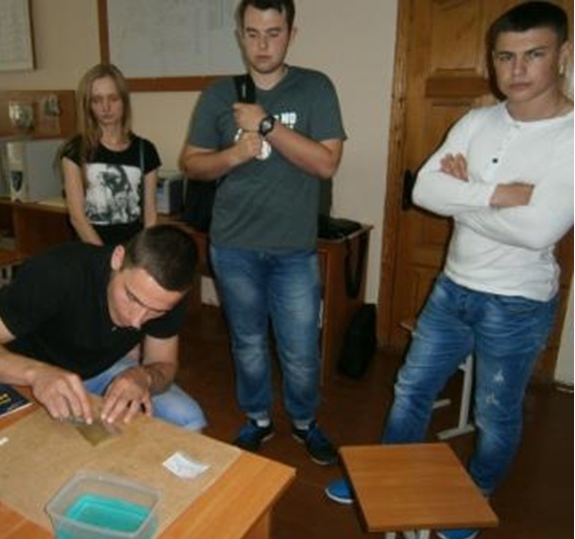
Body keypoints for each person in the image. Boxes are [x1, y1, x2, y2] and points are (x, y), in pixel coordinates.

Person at [326, 3, 573, 538]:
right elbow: (423, 191)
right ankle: (385, 478)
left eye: (534, 54)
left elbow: (538, 230)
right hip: (453, 288)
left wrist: (461, 196)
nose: (517, 69)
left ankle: (474, 494)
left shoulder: (571, 136)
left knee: (494, 413)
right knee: (411, 387)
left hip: (518, 303)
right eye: (505, 57)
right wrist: (499, 195)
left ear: (564, 55)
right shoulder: (477, 121)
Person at [179, 0, 346, 465]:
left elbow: (326, 163)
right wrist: (234, 155)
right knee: (248, 344)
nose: (263, 45)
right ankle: (258, 419)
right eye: (252, 33)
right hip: (233, 246)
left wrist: (266, 125)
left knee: (301, 351)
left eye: (273, 33)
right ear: (240, 35)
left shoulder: (315, 87)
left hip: (294, 250)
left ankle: (304, 422)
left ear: (292, 34)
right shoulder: (219, 94)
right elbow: (191, 163)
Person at [0, 224, 207, 432]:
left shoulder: (166, 297)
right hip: (26, 374)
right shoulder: (59, 271)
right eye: (132, 298)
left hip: (98, 372)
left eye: (156, 311)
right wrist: (36, 374)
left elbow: (164, 364)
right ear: (118, 259)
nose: (137, 321)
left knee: (189, 418)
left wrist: (144, 377)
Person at [60, 63, 160, 246]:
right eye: (97, 100)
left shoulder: (145, 150)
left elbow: (150, 214)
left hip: (132, 252)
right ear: (88, 105)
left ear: (124, 101)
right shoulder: (75, 150)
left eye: (113, 98)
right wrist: (106, 256)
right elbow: (77, 218)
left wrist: (143, 253)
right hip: (92, 252)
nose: (105, 107)